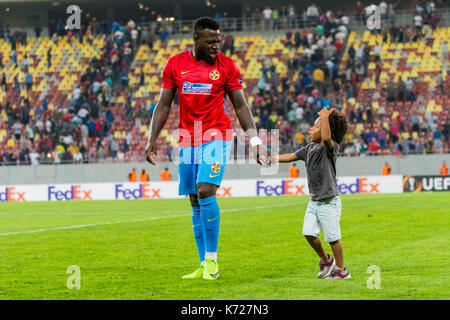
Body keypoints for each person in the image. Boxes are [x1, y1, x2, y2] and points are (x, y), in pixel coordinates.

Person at [145, 17, 270, 281]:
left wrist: (256, 141)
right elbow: (164, 104)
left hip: (217, 135)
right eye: (211, 41)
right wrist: (152, 138)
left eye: (219, 40)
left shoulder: (227, 66)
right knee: (193, 198)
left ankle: (212, 261)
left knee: (205, 190)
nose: (216, 45)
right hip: (188, 139)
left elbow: (241, 106)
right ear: (196, 39)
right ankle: (203, 263)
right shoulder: (175, 64)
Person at [275, 108, 351, 280]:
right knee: (308, 233)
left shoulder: (331, 148)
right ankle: (326, 260)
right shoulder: (309, 148)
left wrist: (324, 117)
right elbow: (290, 156)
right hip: (314, 201)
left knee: (333, 238)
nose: (311, 130)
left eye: (316, 127)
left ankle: (342, 270)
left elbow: (326, 138)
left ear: (326, 129)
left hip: (329, 201)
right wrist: (269, 158)